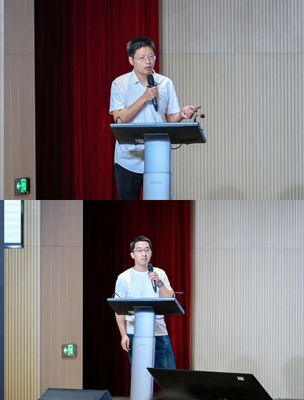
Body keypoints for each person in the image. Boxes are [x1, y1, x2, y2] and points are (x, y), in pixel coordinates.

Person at [109, 36, 198, 200]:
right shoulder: (120, 84)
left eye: (151, 56)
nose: (148, 61)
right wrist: (144, 98)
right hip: (128, 158)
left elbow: (169, 119)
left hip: (158, 157)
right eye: (142, 58)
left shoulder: (165, 83)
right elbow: (119, 119)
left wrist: (181, 114)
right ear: (131, 60)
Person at [114, 235, 176, 369]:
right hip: (134, 332)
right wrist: (123, 335)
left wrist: (159, 283)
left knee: (169, 374)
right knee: (140, 374)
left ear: (151, 253)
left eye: (147, 250)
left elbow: (170, 298)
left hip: (159, 332)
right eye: (140, 250)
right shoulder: (124, 278)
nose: (144, 254)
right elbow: (119, 309)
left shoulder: (159, 273)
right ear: (132, 255)